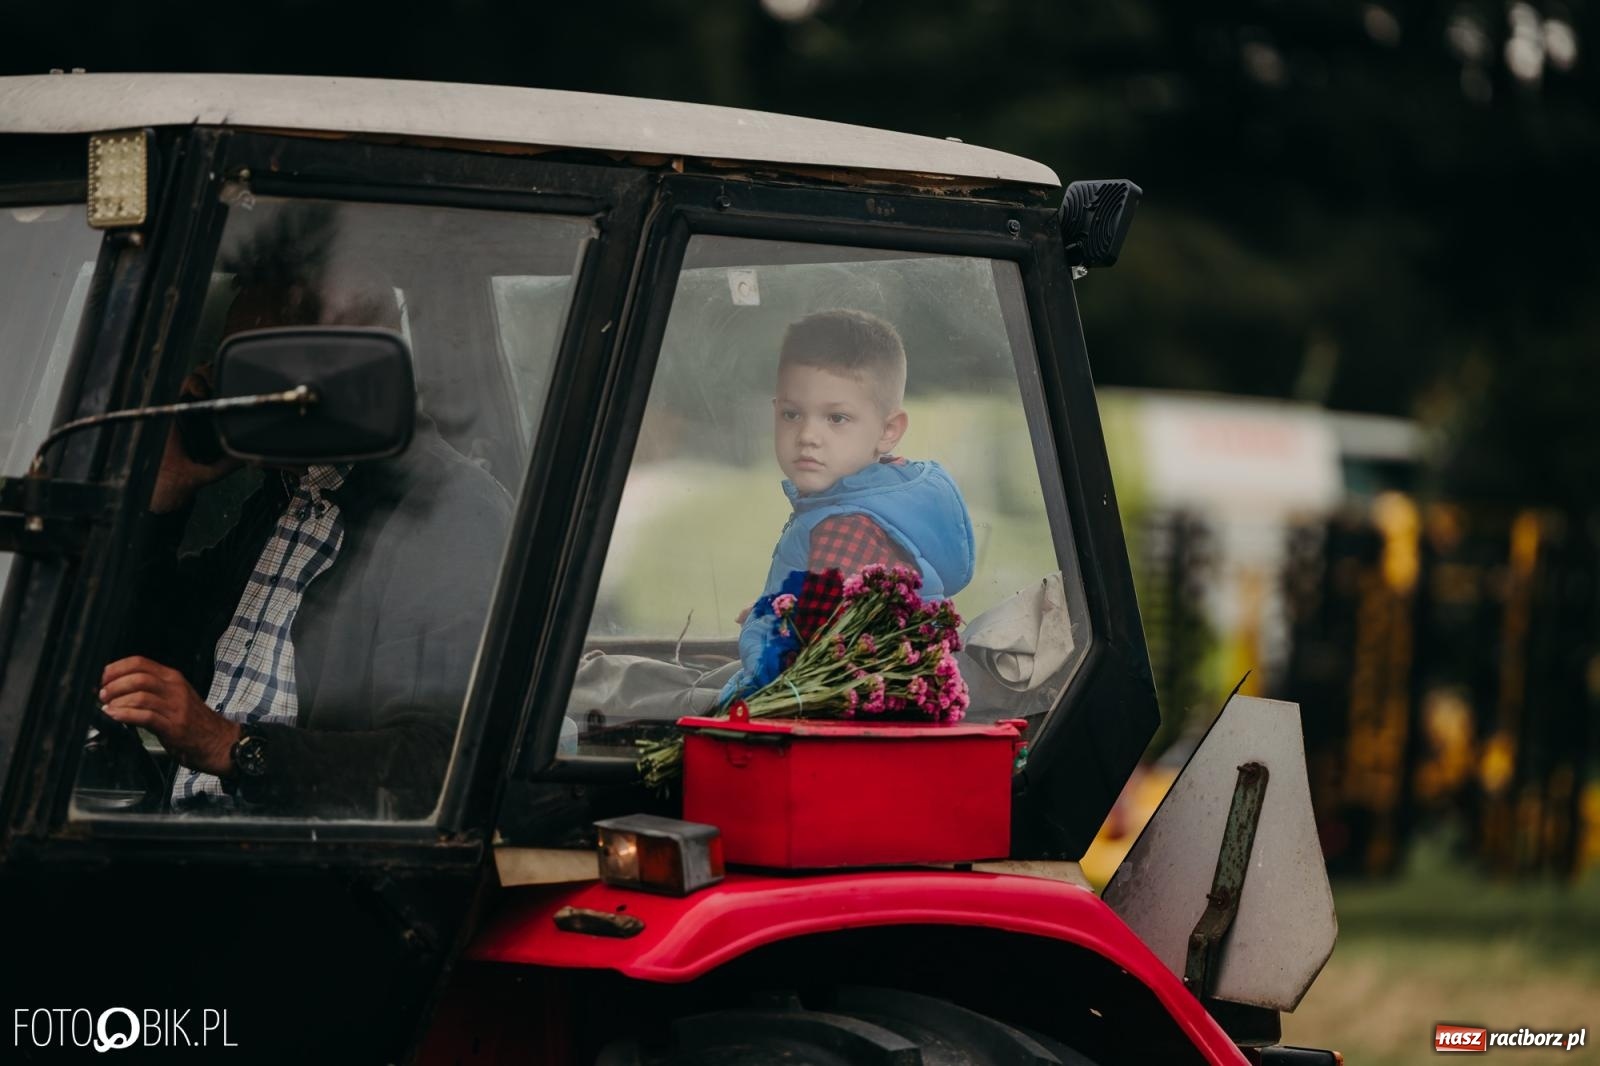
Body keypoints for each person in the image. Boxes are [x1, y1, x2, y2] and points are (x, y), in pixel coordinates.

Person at [96, 273, 513, 819]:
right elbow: (127, 647)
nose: (225, 393)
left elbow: (441, 764)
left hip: (315, 861)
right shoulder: (290, 496)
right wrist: (167, 494)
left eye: (252, 373)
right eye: (228, 372)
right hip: (200, 836)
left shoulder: (448, 513)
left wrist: (232, 747)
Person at [721, 309, 975, 700]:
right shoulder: (860, 503)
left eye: (836, 418)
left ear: (888, 430)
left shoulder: (844, 527)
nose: (807, 435)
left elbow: (810, 666)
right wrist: (771, 611)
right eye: (792, 414)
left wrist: (761, 625)